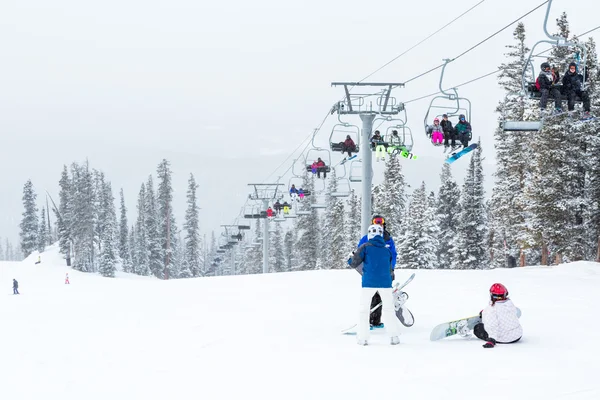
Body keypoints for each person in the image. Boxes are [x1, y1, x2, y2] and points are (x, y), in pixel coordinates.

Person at [349, 224, 400, 346]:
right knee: (389, 310)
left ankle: (363, 338)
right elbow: (389, 267)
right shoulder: (386, 249)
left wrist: (350, 258)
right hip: (385, 283)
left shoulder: (365, 247)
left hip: (369, 283)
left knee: (364, 310)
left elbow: (354, 263)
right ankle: (394, 337)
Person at [355, 214, 397, 328]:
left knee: (380, 297)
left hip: (384, 273)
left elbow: (392, 255)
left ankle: (376, 320)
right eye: (375, 221)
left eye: (380, 221)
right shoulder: (366, 238)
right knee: (370, 297)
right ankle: (368, 321)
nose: (378, 223)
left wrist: (391, 269)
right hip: (370, 271)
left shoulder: (388, 239)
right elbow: (360, 254)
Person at [473, 283, 522, 349]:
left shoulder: (492, 310)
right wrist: (485, 312)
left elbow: (492, 325)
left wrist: (492, 340)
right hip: (517, 335)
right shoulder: (510, 304)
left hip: (505, 339)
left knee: (478, 328)